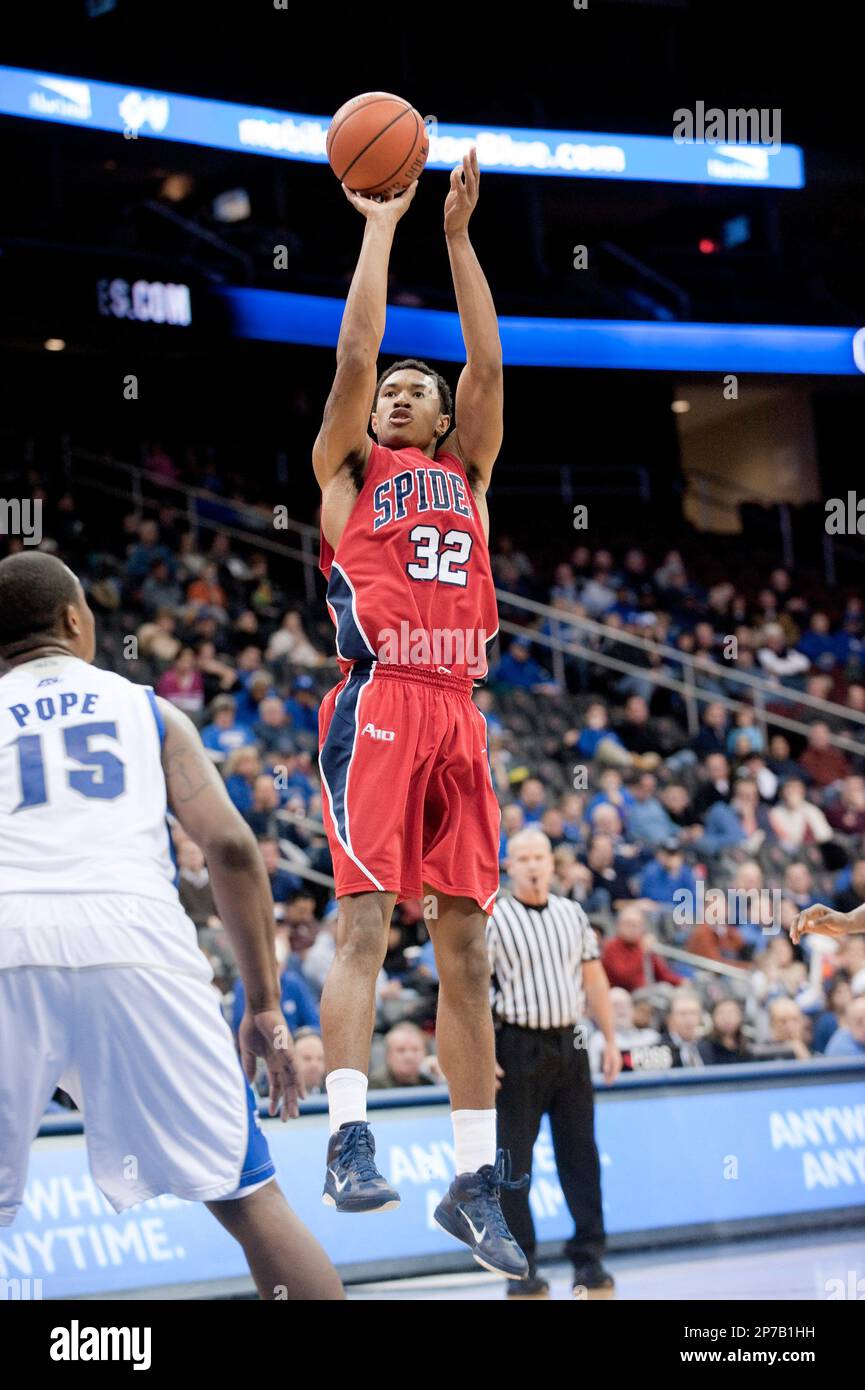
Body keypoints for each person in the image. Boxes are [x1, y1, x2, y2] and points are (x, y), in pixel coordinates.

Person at [0, 551, 342, 1300]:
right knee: (250, 1198)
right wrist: (260, 1004)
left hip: (9, 947)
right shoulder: (147, 709)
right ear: (75, 621)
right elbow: (229, 848)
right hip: (138, 949)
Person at [310, 150, 527, 1278]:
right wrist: (384, 224)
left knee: (466, 949)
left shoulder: (472, 473)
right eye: (387, 389)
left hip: (460, 711)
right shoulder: (347, 470)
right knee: (364, 926)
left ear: (443, 420)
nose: (394, 391)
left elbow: (488, 362)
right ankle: (348, 1135)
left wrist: (457, 237)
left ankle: (472, 1182)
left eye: (413, 390)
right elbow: (352, 349)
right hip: (380, 700)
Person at [488, 829, 621, 1300]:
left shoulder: (572, 913)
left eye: (539, 856)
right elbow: (469, 993)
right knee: (513, 1165)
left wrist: (609, 1038)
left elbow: (593, 976)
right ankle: (521, 1271)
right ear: (509, 866)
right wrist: (483, 1055)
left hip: (571, 1044)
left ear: (551, 862)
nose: (532, 865)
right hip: (516, 1048)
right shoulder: (494, 918)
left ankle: (590, 1262)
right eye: (522, 858)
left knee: (581, 1156)